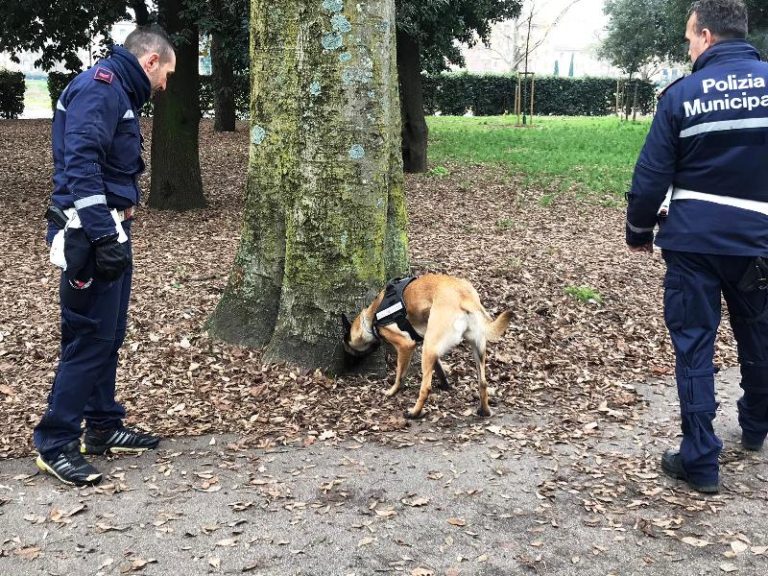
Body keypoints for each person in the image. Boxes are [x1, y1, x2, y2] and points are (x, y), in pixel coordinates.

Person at [626, 0, 768, 494]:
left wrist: (639, 231)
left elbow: (650, 177)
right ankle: (755, 426)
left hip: (694, 244)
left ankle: (701, 459)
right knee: (760, 334)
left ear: (706, 36)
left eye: (689, 38)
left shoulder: (682, 95)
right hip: (759, 245)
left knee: (694, 347)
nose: (688, 47)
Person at [35, 26, 176, 487]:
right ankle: (55, 443)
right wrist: (102, 236)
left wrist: (117, 219)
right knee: (89, 337)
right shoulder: (103, 88)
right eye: (166, 74)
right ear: (151, 61)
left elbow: (108, 162)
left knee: (109, 333)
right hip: (90, 234)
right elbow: (80, 163)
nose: (165, 85)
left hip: (111, 228)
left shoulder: (121, 91)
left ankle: (102, 426)